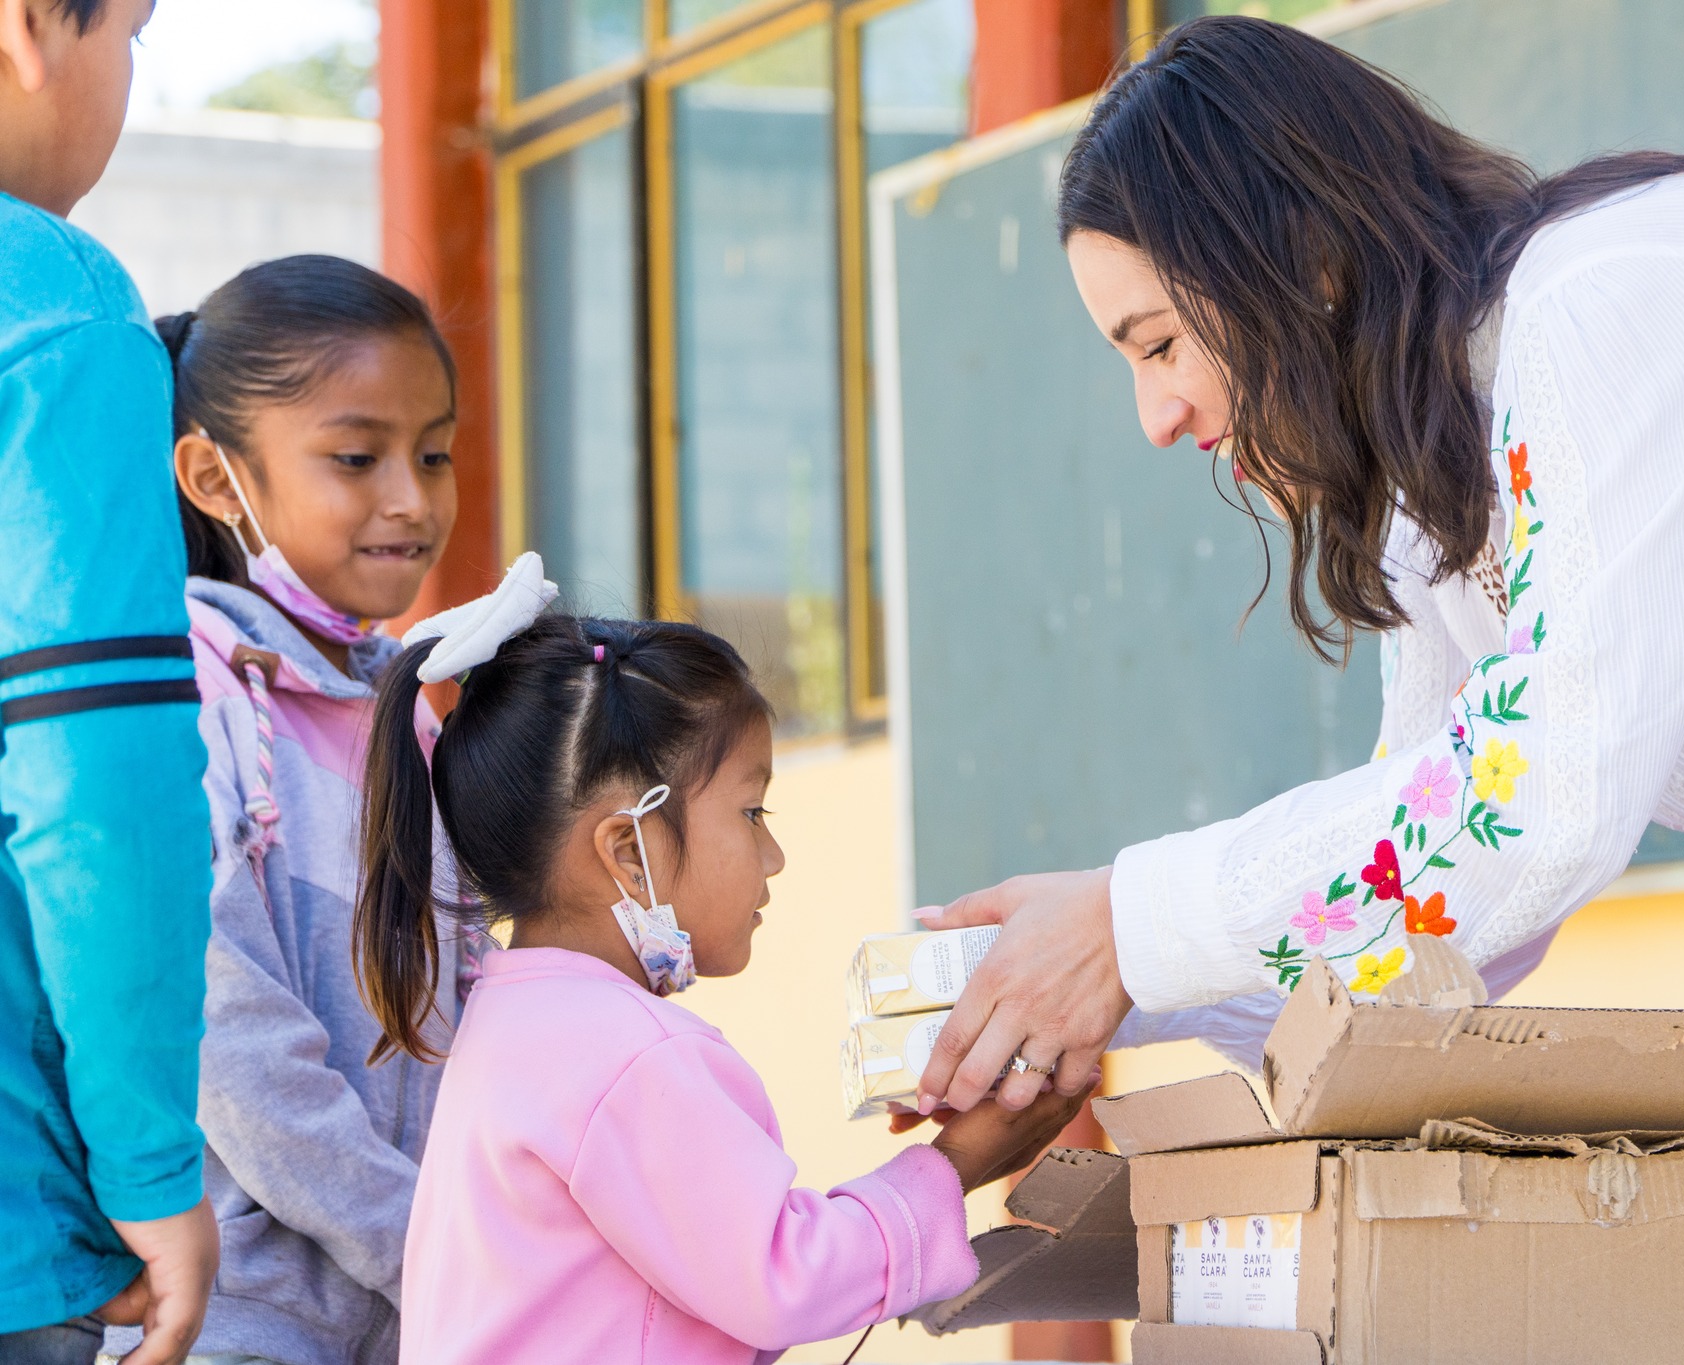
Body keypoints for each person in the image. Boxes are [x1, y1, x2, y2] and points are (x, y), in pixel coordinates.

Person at [911, 15, 1684, 1117]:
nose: (1155, 417)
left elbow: (1533, 801)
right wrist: (1090, 993)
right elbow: (1439, 893)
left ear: (1301, 259)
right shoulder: (1437, 468)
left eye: (1158, 343)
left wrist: (1126, 928)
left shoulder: (1604, 309)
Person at [351, 559, 1084, 1363]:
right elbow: (782, 1276)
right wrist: (956, 1163)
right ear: (628, 849)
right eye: (750, 810)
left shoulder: (515, 1025)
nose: (772, 856)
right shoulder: (625, 1053)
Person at [98, 257, 463, 1365]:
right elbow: (224, 1039)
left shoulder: (411, 707)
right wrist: (433, 1248)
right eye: (357, 458)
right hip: (236, 1328)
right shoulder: (183, 702)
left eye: (435, 453)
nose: (411, 495)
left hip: (411, 1316)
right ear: (215, 477)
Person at [0, 0, 221, 1361]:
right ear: (31, 23)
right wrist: (152, 1174)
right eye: (130, 32)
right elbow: (98, 784)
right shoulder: (55, 311)